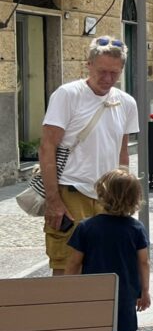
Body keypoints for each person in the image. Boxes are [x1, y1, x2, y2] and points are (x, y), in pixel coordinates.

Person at [41, 36, 139, 280]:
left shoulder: (126, 102)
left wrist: (125, 196)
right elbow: (47, 147)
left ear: (121, 70)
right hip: (71, 192)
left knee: (107, 264)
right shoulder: (67, 95)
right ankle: (66, 307)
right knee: (67, 267)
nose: (107, 79)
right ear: (88, 64)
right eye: (101, 71)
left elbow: (122, 153)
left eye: (114, 73)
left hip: (109, 198)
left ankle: (101, 308)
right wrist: (53, 201)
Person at [64, 169, 150, 331]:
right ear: (135, 199)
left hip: (92, 294)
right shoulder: (136, 228)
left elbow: (74, 263)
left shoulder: (86, 227)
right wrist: (144, 291)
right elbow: (144, 262)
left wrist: (68, 288)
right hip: (124, 292)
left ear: (101, 194)